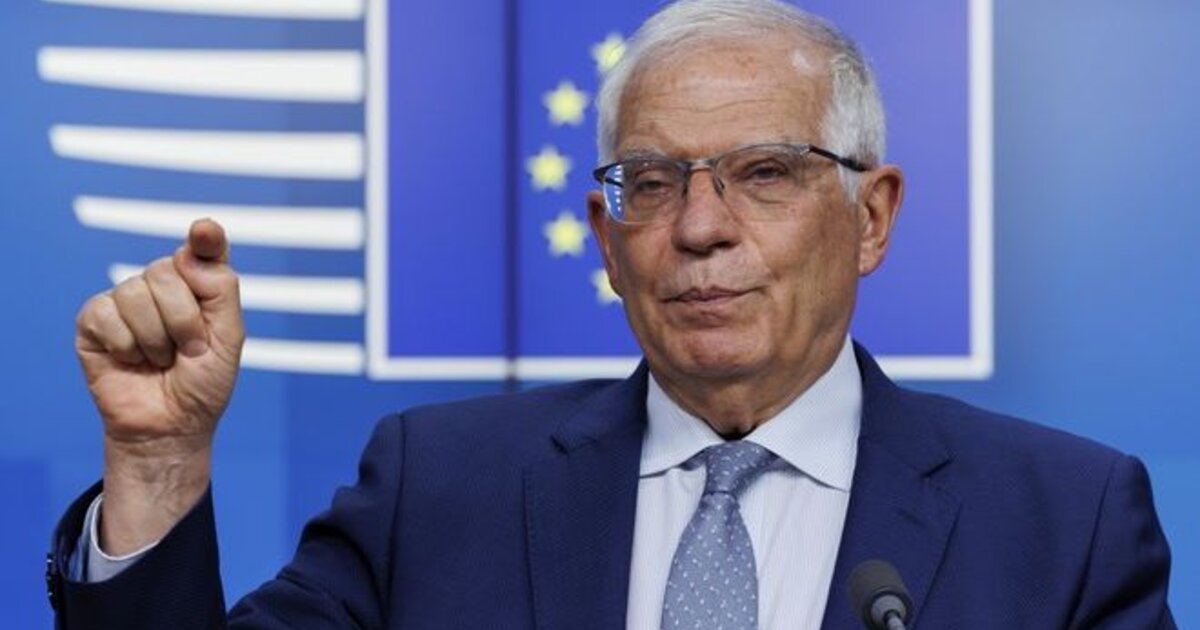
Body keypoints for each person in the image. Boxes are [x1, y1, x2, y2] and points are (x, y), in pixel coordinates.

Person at [47, 0, 1175, 628]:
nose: (700, 228)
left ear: (870, 218)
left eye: (765, 173)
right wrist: (159, 462)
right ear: (606, 237)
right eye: (652, 182)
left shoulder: (1067, 521)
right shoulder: (435, 487)